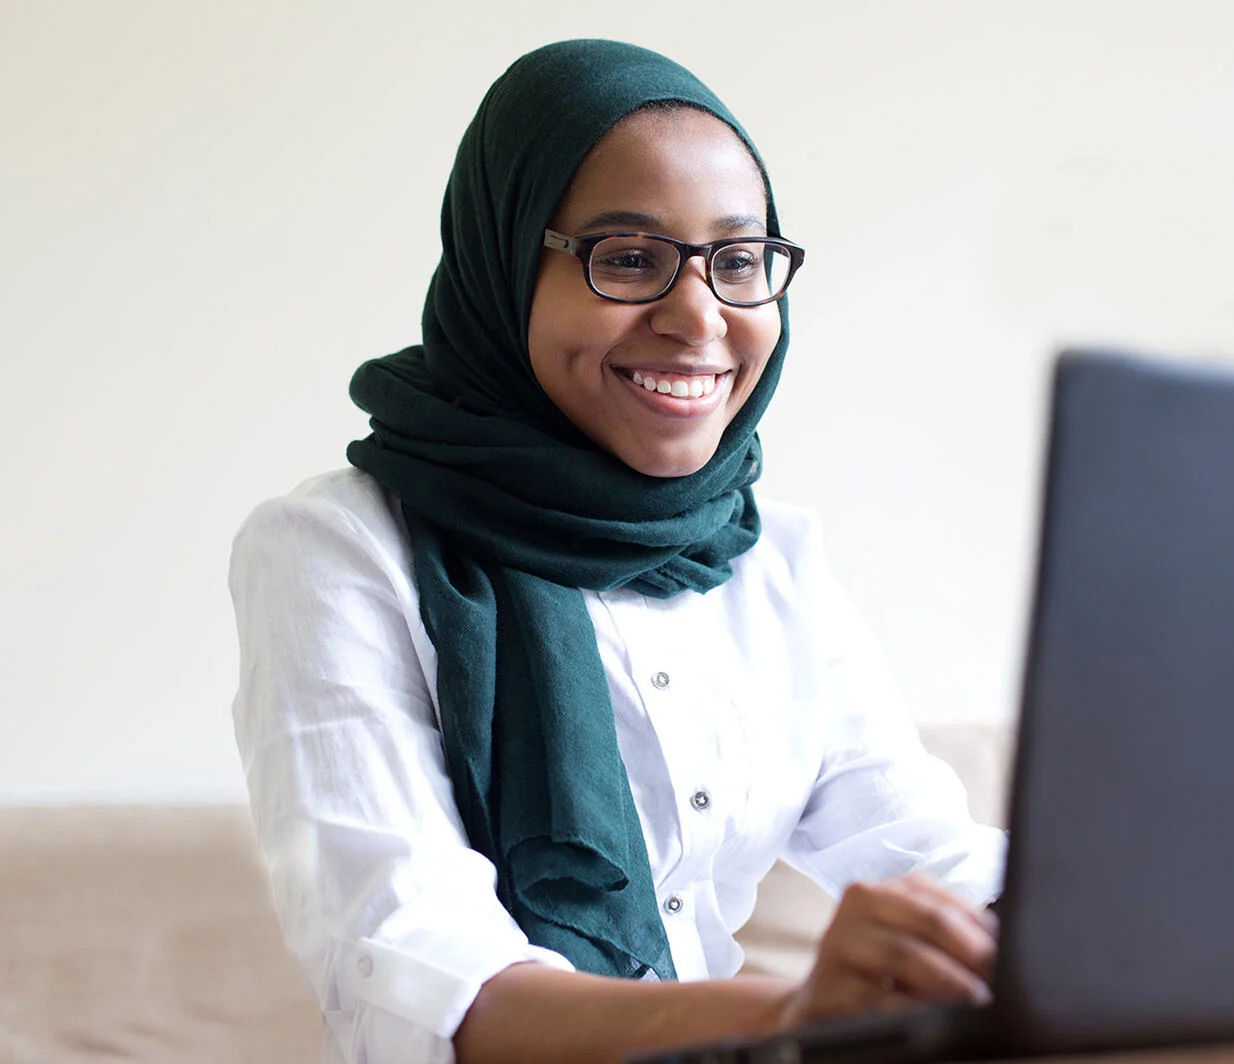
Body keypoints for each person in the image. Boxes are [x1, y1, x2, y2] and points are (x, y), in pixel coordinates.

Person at [229, 38, 1006, 1064]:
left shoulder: (773, 557)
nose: (700, 318)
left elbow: (930, 851)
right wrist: (785, 1012)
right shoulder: (338, 548)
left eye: (738, 261)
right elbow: (428, 978)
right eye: (629, 257)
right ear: (504, 266)